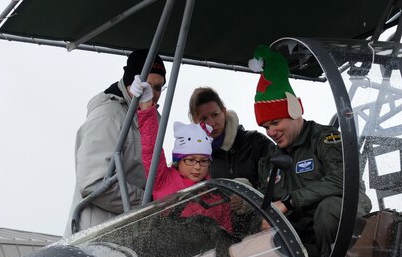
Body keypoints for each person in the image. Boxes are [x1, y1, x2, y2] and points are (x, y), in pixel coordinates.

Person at [250, 45, 371, 257]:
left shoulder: (326, 139)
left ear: (295, 111)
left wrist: (290, 201)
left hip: (341, 219)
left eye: (276, 123)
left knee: (328, 210)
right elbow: (266, 203)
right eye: (266, 127)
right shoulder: (270, 162)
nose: (271, 132)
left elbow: (345, 179)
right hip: (300, 237)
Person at [68, 49, 167, 235]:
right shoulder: (109, 116)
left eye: (158, 87)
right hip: (96, 238)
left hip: (125, 234)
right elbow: (92, 182)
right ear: (132, 82)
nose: (152, 94)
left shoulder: (152, 119)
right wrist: (148, 202)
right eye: (147, 85)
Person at [130, 78, 231, 230]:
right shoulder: (163, 179)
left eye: (203, 161)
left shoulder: (215, 195)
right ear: (178, 160)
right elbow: (151, 147)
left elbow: (227, 235)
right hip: (169, 251)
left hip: (207, 252)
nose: (197, 167)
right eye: (191, 160)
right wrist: (146, 105)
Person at [188, 87, 275, 190]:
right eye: (204, 118)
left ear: (224, 111)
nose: (212, 123)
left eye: (215, 115)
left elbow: (279, 183)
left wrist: (247, 190)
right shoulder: (192, 160)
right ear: (195, 122)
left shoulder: (256, 142)